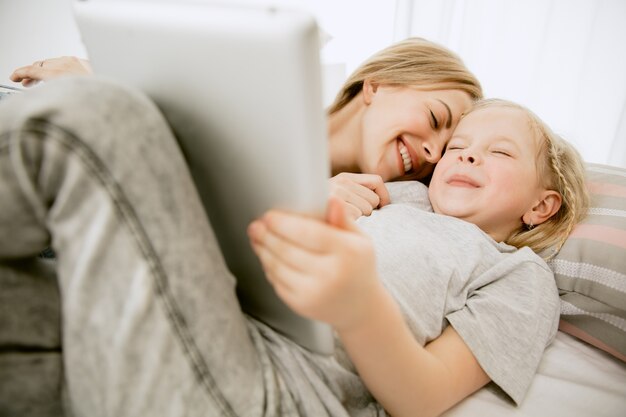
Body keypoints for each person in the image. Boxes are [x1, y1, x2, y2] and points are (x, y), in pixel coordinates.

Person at [0, 62, 588, 417]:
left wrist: (360, 305)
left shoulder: (518, 274)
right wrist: (316, 199)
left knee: (97, 118)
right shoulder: (394, 193)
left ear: (541, 205)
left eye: (499, 150)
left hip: (281, 389)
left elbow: (425, 398)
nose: (462, 152)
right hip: (197, 335)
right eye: (460, 143)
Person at [9, 38, 483, 219]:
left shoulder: (374, 209)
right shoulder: (258, 90)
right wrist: (103, 84)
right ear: (376, 85)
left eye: (442, 151)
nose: (429, 151)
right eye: (436, 120)